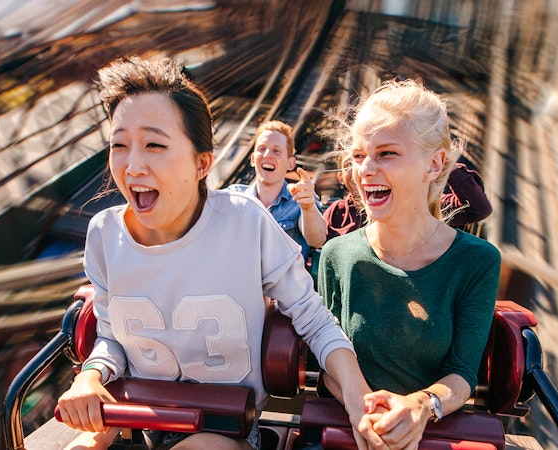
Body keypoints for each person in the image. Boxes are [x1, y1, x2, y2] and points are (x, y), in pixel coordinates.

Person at [54, 56, 381, 450]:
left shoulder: (245, 222)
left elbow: (315, 321)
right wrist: (90, 376)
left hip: (227, 430)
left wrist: (359, 397)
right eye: (119, 145)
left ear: (201, 163)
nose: (133, 166)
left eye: (154, 145)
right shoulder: (103, 234)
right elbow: (113, 337)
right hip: (139, 420)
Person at [317, 79, 501, 449]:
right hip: (349, 435)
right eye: (358, 156)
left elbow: (462, 374)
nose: (364, 170)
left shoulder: (477, 261)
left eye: (386, 153)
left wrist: (420, 406)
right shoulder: (338, 256)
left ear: (433, 165)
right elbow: (329, 365)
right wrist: (368, 414)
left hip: (433, 438)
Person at [226, 120, 326, 261]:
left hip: (282, 281)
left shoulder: (300, 199)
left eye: (276, 151)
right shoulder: (234, 195)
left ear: (290, 163)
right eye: (261, 149)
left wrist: (308, 208)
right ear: (253, 159)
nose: (267, 154)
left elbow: (317, 240)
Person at [323, 158, 491, 241]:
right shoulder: (337, 212)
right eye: (355, 159)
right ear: (340, 177)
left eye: (379, 158)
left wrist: (446, 162)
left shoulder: (420, 206)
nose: (363, 169)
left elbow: (476, 207)